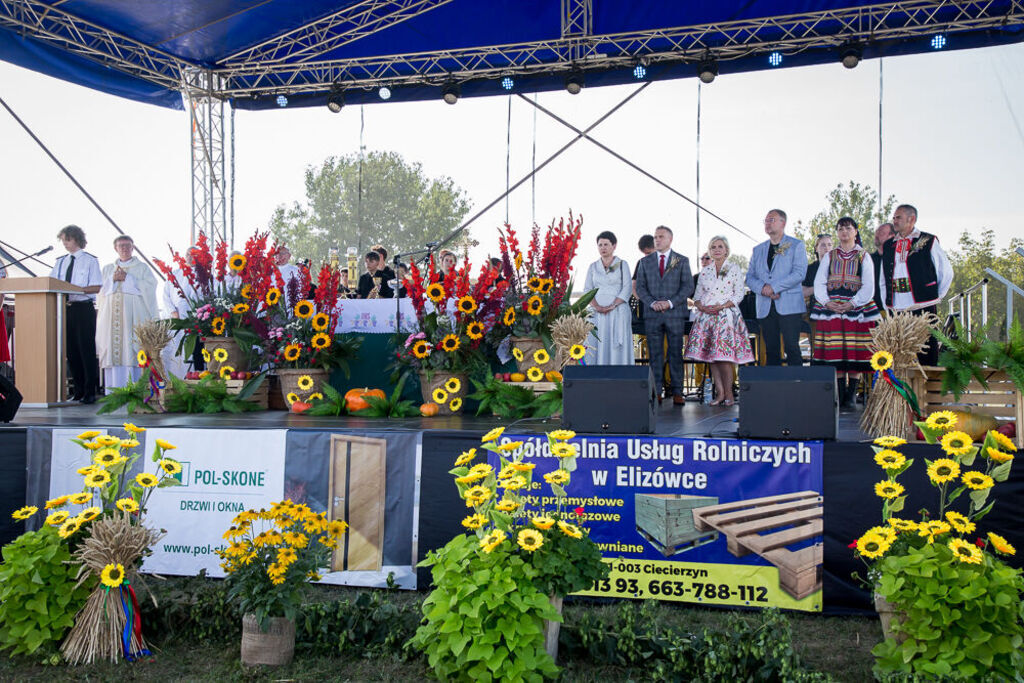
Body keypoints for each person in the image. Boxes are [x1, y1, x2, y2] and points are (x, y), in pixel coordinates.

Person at [810, 218, 881, 408]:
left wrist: (853, 303)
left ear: (856, 231)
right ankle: (840, 395)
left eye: (848, 228)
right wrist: (827, 302)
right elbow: (820, 282)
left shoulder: (863, 256)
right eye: (840, 229)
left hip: (857, 307)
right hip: (832, 307)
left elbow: (869, 285)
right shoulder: (829, 256)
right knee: (836, 350)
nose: (844, 232)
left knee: (855, 350)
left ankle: (851, 395)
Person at [879, 205, 953, 366]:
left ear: (911, 219)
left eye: (898, 217)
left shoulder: (928, 240)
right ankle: (899, 388)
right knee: (897, 349)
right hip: (897, 304)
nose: (894, 221)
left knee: (926, 347)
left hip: (922, 302)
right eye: (894, 217)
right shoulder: (889, 245)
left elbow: (945, 271)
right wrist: (887, 301)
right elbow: (883, 276)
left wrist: (935, 295)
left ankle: (929, 386)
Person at [684, 236, 754, 405]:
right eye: (713, 247)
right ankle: (720, 393)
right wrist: (702, 307)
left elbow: (739, 293)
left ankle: (729, 394)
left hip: (726, 316)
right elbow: (698, 296)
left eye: (720, 246)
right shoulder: (705, 272)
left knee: (724, 357)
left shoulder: (734, 268)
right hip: (707, 317)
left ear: (726, 250)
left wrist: (722, 306)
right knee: (712, 357)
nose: (716, 249)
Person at [635, 226, 694, 404]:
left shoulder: (682, 260)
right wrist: (653, 303)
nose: (657, 240)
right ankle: (656, 391)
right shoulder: (644, 262)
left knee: (676, 352)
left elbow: (688, 287)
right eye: (655, 237)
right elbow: (640, 288)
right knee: (655, 354)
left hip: (674, 313)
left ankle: (678, 392)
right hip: (652, 314)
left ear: (670, 239)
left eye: (661, 237)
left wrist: (669, 303)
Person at [746, 209, 808, 367]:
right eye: (766, 220)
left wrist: (774, 287)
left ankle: (797, 385)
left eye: (771, 220)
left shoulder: (796, 245)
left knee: (792, 348)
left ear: (783, 223)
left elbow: (799, 273)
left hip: (790, 306)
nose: (767, 223)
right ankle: (774, 389)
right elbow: (750, 277)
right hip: (765, 306)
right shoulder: (758, 250)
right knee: (771, 349)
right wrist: (763, 289)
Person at [96, 235, 158, 390]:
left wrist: (128, 279)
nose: (124, 248)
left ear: (133, 248)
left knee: (132, 348)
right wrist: (113, 279)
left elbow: (150, 286)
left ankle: (137, 388)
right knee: (113, 350)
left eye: (127, 245)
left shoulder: (142, 268)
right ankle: (113, 390)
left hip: (133, 318)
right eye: (121, 245)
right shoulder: (108, 269)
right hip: (112, 318)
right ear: (115, 248)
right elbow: (101, 292)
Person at [50, 225, 103, 402]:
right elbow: (51, 283)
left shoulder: (90, 260)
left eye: (67, 239)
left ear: (76, 239)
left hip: (83, 308)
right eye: (63, 240)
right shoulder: (60, 261)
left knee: (85, 349)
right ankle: (78, 390)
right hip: (64, 309)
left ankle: (90, 391)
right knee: (71, 351)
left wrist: (76, 289)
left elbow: (96, 286)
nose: (64, 243)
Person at [584, 231, 633, 365]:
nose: (603, 248)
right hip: (596, 313)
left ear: (614, 246)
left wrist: (612, 306)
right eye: (600, 245)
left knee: (616, 346)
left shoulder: (622, 264)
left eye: (606, 244)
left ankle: (620, 377)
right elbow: (587, 290)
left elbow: (627, 288)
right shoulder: (593, 266)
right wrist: (597, 307)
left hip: (618, 311)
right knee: (596, 343)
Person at [802, 234, 834, 301]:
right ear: (816, 248)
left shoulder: (839, 266)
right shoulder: (810, 269)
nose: (827, 248)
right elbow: (802, 292)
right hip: (816, 307)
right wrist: (820, 286)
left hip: (836, 307)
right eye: (823, 245)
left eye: (829, 245)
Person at [871, 222, 894, 312]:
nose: (877, 235)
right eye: (876, 232)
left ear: (891, 236)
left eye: (881, 233)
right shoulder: (869, 260)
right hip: (874, 312)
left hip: (896, 312)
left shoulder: (897, 259)